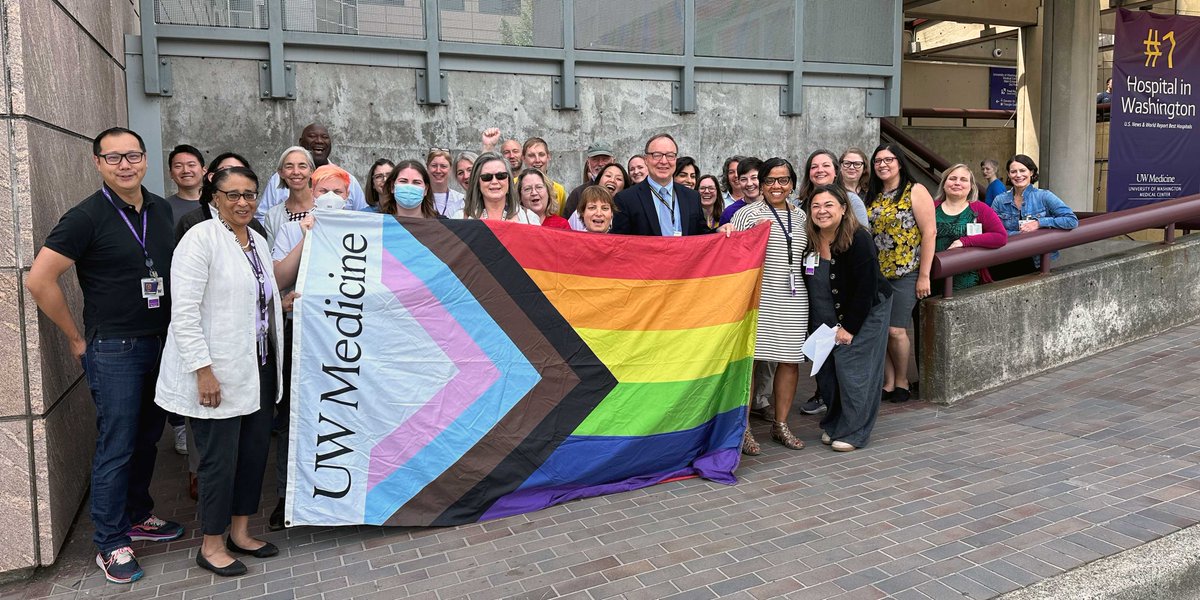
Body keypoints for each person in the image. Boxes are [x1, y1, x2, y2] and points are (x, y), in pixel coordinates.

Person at [26, 127, 184, 584]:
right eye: (113, 158)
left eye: (132, 155)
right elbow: (39, 280)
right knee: (116, 443)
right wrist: (77, 338)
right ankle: (111, 542)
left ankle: (137, 515)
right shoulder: (86, 216)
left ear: (145, 159)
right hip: (115, 347)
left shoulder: (159, 209)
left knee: (148, 436)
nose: (125, 165)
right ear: (97, 163)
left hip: (160, 340)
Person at [155, 166, 283, 577]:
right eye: (233, 195)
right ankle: (211, 545)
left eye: (249, 194)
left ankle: (241, 534)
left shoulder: (258, 241)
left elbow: (258, 298)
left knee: (252, 455)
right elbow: (185, 311)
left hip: (259, 367)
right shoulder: (200, 238)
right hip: (216, 370)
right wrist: (202, 370)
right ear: (214, 198)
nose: (242, 202)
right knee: (217, 461)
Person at [804, 184, 892, 452]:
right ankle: (835, 424)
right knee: (828, 373)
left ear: (843, 209)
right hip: (825, 313)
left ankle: (854, 431)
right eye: (816, 206)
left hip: (864, 311)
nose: (822, 211)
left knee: (853, 370)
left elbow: (865, 289)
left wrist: (850, 327)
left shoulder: (858, 239)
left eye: (829, 205)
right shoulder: (809, 238)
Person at [731, 158, 808, 453]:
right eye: (770, 181)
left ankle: (780, 424)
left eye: (783, 180)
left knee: (789, 361)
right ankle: (744, 428)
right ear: (761, 184)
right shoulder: (747, 214)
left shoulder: (802, 216)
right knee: (751, 363)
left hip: (794, 298)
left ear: (792, 183)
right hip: (758, 299)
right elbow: (734, 256)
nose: (777, 186)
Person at [864, 143, 936, 404]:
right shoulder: (871, 194)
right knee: (879, 330)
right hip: (876, 274)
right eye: (878, 161)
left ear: (900, 162)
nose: (883, 165)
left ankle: (903, 379)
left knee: (896, 329)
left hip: (906, 271)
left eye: (889, 159)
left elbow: (929, 232)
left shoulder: (915, 191)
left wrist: (924, 275)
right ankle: (889, 380)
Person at [254, 124, 367, 220]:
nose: (319, 141)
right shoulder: (282, 178)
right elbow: (263, 217)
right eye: (312, 136)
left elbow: (364, 218)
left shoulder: (348, 179)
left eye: (325, 137)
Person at [990, 154, 1079, 276]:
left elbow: (1071, 220)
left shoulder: (1044, 196)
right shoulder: (999, 200)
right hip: (1005, 258)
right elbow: (991, 230)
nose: (1018, 175)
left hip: (1036, 262)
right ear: (1009, 175)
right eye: (1013, 171)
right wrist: (1019, 234)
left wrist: (1039, 223)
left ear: (1031, 172)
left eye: (1022, 170)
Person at [611, 133, 707, 236]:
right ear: (646, 160)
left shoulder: (692, 197)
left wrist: (720, 231)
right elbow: (619, 243)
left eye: (670, 155)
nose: (664, 161)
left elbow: (703, 237)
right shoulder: (626, 199)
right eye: (657, 155)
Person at [932, 164, 1007, 291]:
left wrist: (965, 241)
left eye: (963, 180)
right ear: (944, 183)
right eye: (952, 178)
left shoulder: (980, 209)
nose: (957, 183)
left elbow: (1000, 237)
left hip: (968, 281)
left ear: (971, 186)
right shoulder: (930, 208)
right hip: (932, 278)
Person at [453, 152, 540, 224]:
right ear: (477, 183)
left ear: (509, 180)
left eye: (501, 176)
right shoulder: (459, 218)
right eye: (487, 177)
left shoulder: (529, 218)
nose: (494, 182)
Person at [263, 146, 315, 248]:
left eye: (302, 166)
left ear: (311, 171)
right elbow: (272, 258)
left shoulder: (324, 209)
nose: (296, 172)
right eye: (289, 166)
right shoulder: (272, 216)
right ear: (281, 173)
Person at [798, 149, 868, 225]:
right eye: (814, 167)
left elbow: (863, 234)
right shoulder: (799, 203)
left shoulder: (852, 200)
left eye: (826, 165)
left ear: (836, 171)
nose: (820, 170)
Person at [564, 162, 628, 229]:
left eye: (618, 179)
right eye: (608, 176)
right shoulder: (577, 213)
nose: (612, 180)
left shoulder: (627, 212)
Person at [562, 143, 617, 217]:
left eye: (605, 159)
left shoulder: (622, 190)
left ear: (613, 161)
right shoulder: (577, 194)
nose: (600, 163)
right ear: (588, 163)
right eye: (595, 159)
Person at [378, 160, 443, 219]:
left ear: (425, 189)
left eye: (416, 182)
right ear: (392, 187)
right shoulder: (378, 223)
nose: (410, 187)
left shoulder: (442, 225)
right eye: (403, 181)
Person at [166, 145, 206, 228]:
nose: (186, 171)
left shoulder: (218, 204)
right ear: (170, 174)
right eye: (178, 166)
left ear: (204, 170)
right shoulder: (163, 207)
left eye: (191, 165)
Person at [522, 138, 566, 209]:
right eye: (531, 155)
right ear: (523, 158)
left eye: (541, 155)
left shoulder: (559, 190)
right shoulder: (512, 185)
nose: (537, 160)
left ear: (548, 157)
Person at [720, 157, 762, 225]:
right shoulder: (729, 212)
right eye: (744, 179)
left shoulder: (777, 205)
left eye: (754, 178)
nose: (749, 183)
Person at [427, 149, 465, 217]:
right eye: (434, 165)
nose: (438, 170)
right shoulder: (420, 198)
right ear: (427, 168)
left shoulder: (460, 200)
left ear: (450, 169)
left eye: (443, 166)